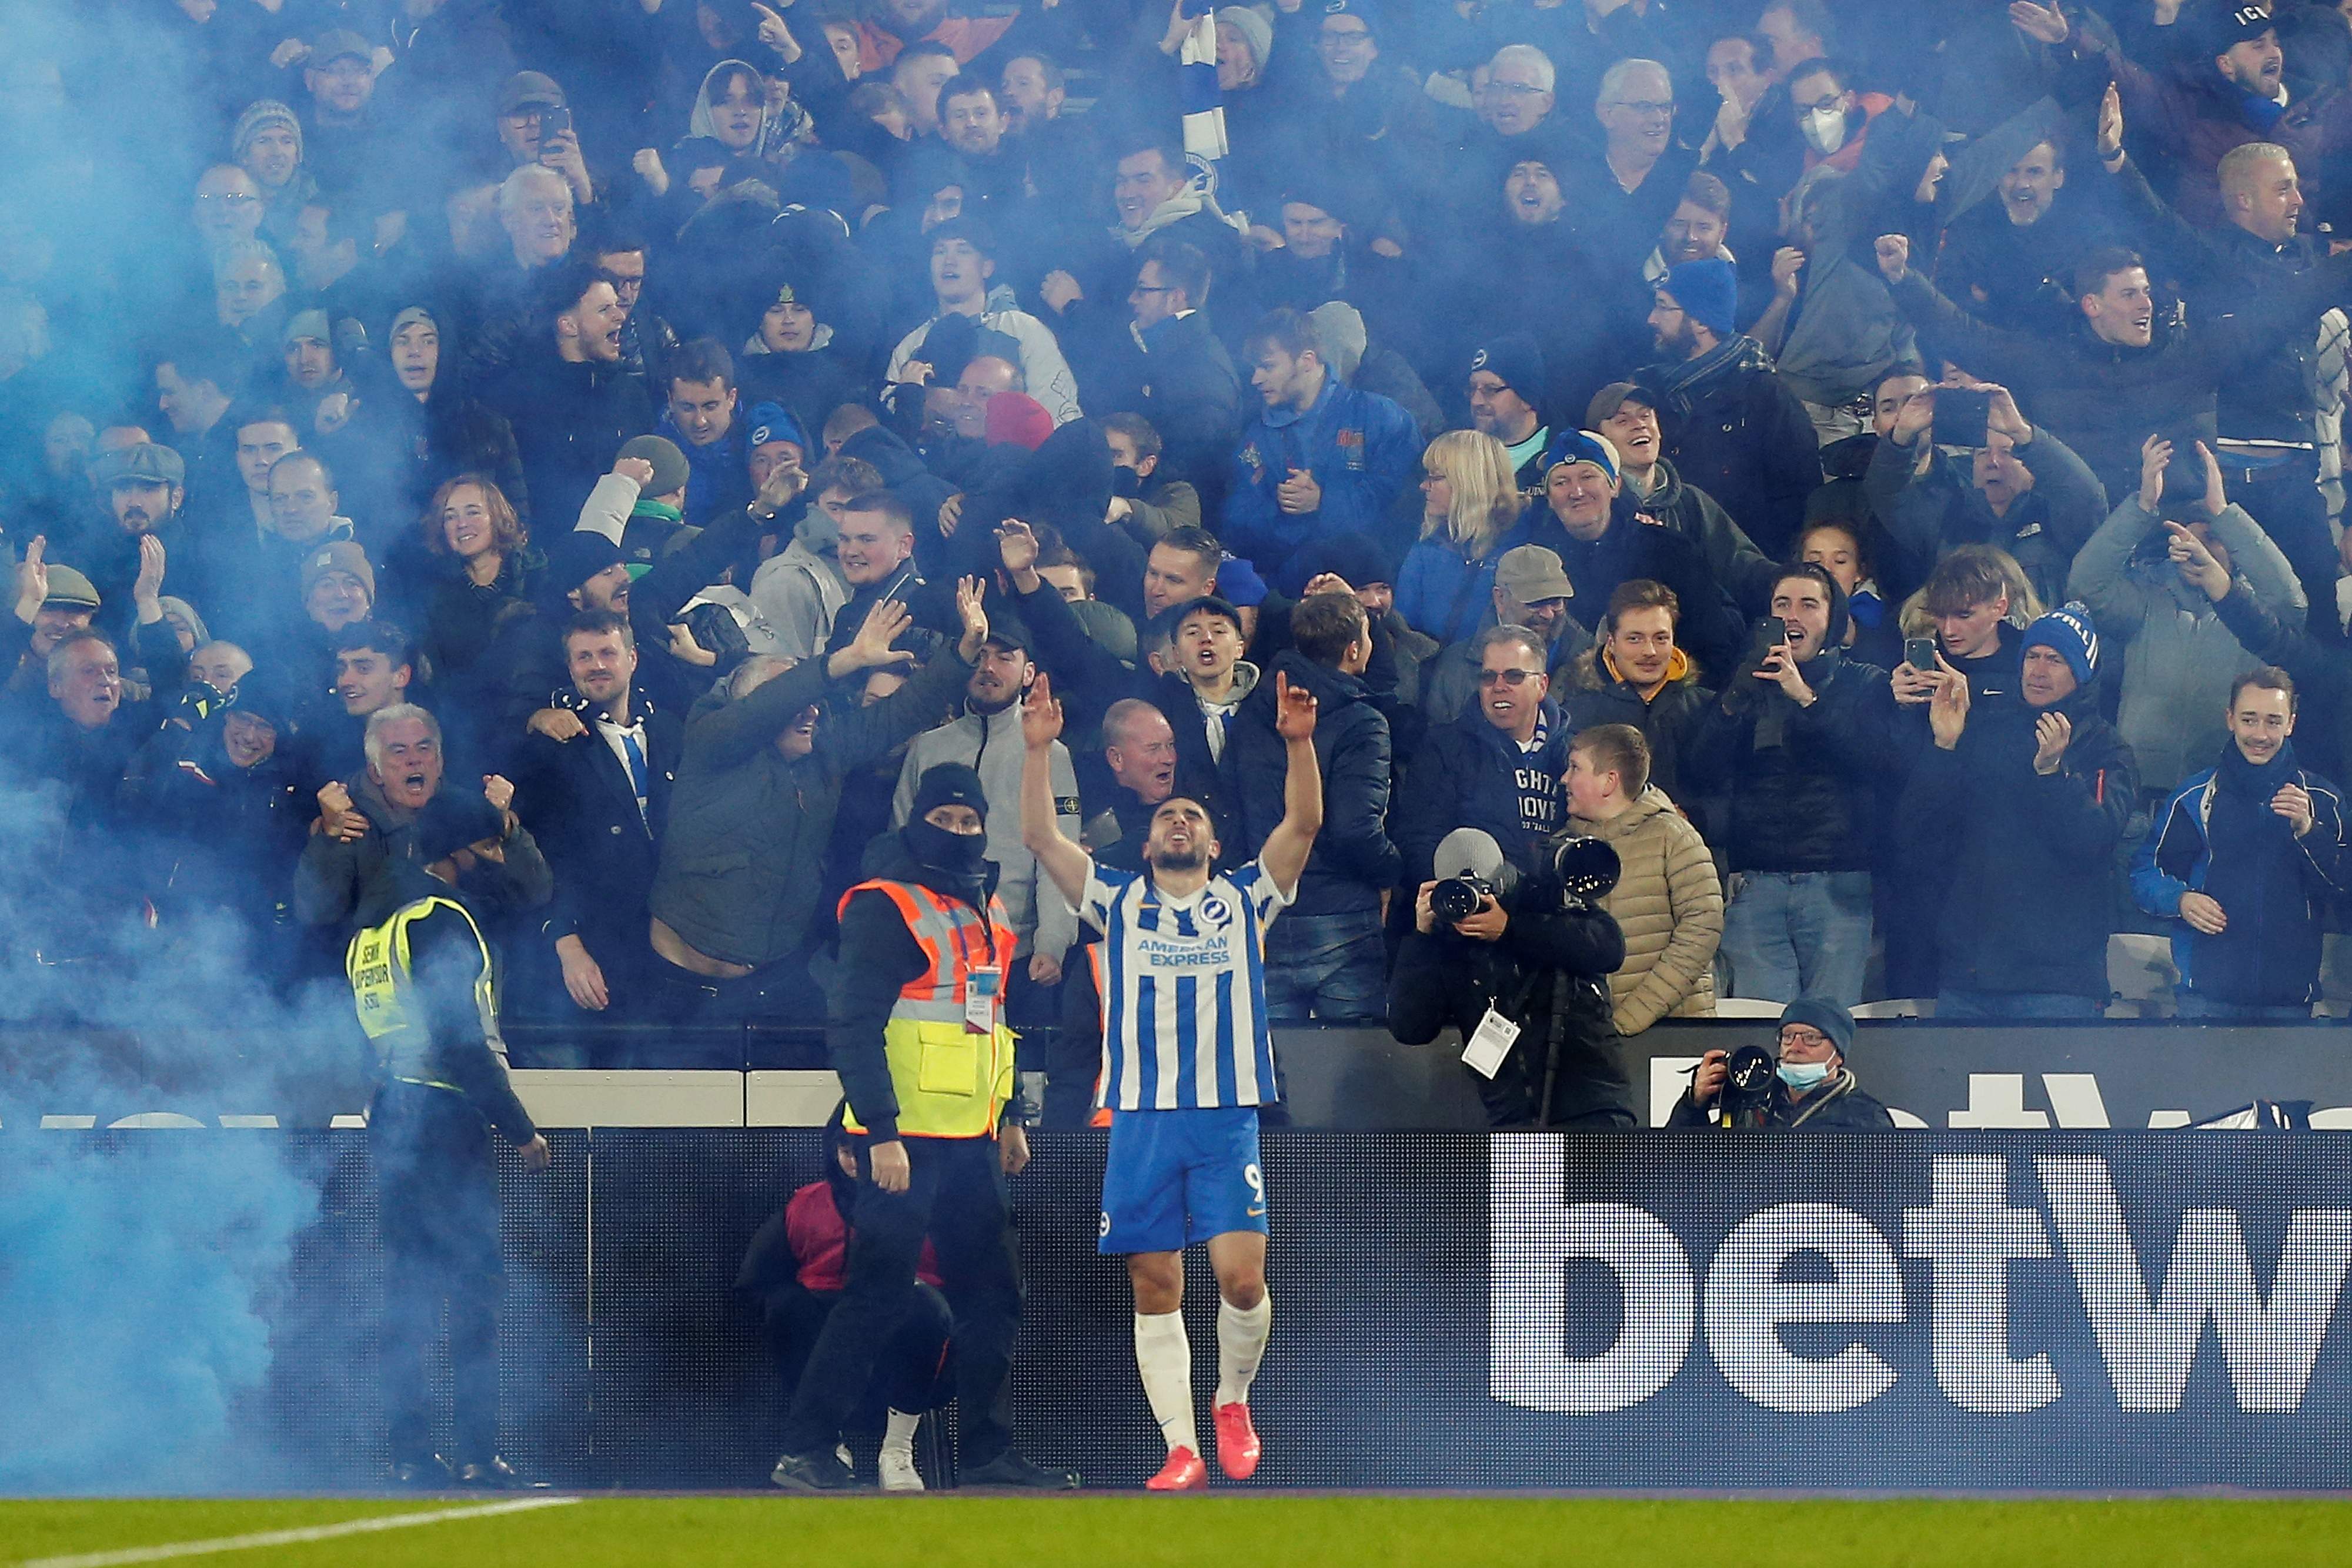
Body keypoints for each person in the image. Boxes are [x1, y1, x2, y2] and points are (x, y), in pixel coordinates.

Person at [1020, 664, 1320, 1492]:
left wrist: (1300, 744)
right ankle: (1181, 1445)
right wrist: (1038, 750)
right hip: (1142, 1118)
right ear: (1148, 842)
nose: (1178, 820)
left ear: (1214, 843)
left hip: (1224, 1115)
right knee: (1155, 1282)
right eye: (1166, 816)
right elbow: (1043, 839)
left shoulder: (1247, 897)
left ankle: (1231, 1398)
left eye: (1192, 814)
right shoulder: (1113, 898)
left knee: (1243, 1277)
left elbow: (1305, 820)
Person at [769, 763, 1075, 1493]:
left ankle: (986, 1455)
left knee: (994, 1295)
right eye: (946, 820)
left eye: (970, 822)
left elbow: (991, 1024)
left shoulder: (985, 910)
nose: (960, 833)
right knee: (876, 1296)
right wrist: (880, 1132)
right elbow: (851, 1025)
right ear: (916, 822)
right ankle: (806, 1450)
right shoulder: (884, 906)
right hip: (901, 1142)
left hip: (972, 1140)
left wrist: (1008, 1117)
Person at [334, 716, 554, 1488]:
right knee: (474, 1291)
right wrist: (519, 1127)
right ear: (461, 850)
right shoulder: (444, 919)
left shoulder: (376, 927)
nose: (494, 853)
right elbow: (463, 1039)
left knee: (410, 1292)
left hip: (394, 1109)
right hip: (446, 1118)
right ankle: (474, 1450)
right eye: (487, 843)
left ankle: (405, 1451)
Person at [1904, 602, 2137, 1019]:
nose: (2039, 670)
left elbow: (2093, 842)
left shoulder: (2106, 748)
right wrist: (1943, 748)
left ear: (2082, 672)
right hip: (1969, 978)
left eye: (2056, 659)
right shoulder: (1980, 728)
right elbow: (1918, 834)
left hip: (2058, 984)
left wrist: (2052, 776)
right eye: (2032, 656)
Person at [1685, 564, 1900, 1007]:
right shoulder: (1747, 683)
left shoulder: (1866, 683)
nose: (1792, 616)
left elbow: (1874, 760)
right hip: (1755, 885)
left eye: (1808, 604)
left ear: (1833, 619)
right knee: (1762, 1033)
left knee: (1830, 1032)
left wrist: (1805, 696)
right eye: (1782, 604)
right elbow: (1701, 769)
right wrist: (1732, 704)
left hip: (1838, 885)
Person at [2067, 436, 2306, 798]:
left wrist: (2225, 514)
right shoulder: (2147, 598)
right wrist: (2143, 506)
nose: (2195, 549)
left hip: (2222, 790)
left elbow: (2292, 604)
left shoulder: (2252, 614)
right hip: (2138, 787)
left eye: (2211, 538)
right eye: (2184, 539)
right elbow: (2086, 585)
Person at [1220, 590, 1396, 1024]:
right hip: (1341, 917)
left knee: (1274, 1071)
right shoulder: (1363, 722)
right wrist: (1392, 871)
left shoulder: (1250, 712)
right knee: (1349, 1074)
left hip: (1265, 908)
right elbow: (1356, 829)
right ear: (1354, 649)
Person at [2133, 666, 2350, 1019]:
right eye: (2249, 720)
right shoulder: (2194, 797)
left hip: (2290, 1005)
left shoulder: (2324, 800)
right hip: (2205, 1000)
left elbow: (2343, 889)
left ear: (2291, 724)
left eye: (2273, 722)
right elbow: (2144, 873)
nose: (2260, 734)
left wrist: (2309, 832)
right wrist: (2180, 899)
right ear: (2230, 719)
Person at [1385, 824, 1629, 1129]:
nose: (1471, 903)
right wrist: (1422, 936)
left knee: (1597, 1178)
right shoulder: (1446, 944)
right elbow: (1410, 1028)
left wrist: (1509, 929)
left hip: (1590, 1105)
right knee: (1521, 1180)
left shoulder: (1545, 902)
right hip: (1513, 1118)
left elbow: (1609, 948)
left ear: (1502, 880)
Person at [511, 611, 680, 1032]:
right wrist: (566, 942)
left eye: (608, 652)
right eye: (584, 657)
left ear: (633, 658)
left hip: (677, 946)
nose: (597, 665)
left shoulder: (673, 732)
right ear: (570, 669)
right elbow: (538, 855)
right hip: (598, 947)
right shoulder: (550, 750)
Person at [1221, 308, 1420, 594]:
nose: (1256, 379)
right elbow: (1237, 518)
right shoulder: (1256, 436)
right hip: (1291, 593)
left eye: (1267, 367)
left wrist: (1323, 502)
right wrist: (1283, 508)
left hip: (1367, 592)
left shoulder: (1381, 417)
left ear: (1307, 360)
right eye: (1255, 369)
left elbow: (1404, 505)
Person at [1636, 255, 1821, 556]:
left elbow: (1800, 497)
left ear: (1700, 321)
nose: (1652, 319)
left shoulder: (1764, 396)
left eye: (1663, 306)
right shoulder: (1651, 389)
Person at [1563, 723, 1721, 1034]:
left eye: (1574, 768)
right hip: (1595, 1042)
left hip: (1674, 1036)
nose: (1564, 779)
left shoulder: (1673, 836)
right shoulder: (1563, 850)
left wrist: (1630, 1019)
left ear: (1609, 782)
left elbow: (1702, 931)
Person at [1395, 626, 1573, 884]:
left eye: (1514, 676)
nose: (1499, 687)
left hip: (1548, 915)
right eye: (1489, 677)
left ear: (1542, 685)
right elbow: (1420, 841)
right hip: (1472, 910)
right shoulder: (1443, 747)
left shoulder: (1573, 754)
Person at [1668, 997, 1895, 1126]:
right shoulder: (1754, 1101)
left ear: (1838, 1054)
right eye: (1788, 1036)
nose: (1795, 1048)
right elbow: (1677, 1160)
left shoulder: (1865, 1116)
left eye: (1811, 1038)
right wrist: (1694, 1103)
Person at [1395, 430, 1531, 646]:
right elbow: (1402, 634)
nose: (1424, 486)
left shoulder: (1523, 550)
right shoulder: (1426, 549)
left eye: (1436, 478)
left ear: (1470, 483)